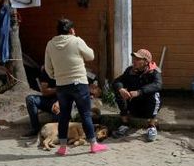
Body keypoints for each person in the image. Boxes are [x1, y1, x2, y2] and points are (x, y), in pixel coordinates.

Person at [44, 18, 108, 155]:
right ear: (71, 30)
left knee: (64, 116)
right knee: (85, 114)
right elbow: (90, 56)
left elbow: (48, 69)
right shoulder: (76, 41)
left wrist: (58, 77)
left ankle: (62, 147)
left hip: (61, 85)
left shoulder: (50, 44)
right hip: (79, 83)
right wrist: (76, 39)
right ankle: (93, 145)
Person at [112, 48, 162, 141]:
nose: (134, 61)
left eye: (138, 59)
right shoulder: (130, 70)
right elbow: (117, 81)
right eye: (134, 59)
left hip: (148, 108)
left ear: (146, 62)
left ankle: (151, 126)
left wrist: (139, 92)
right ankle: (125, 124)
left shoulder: (154, 72)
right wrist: (121, 88)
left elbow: (158, 85)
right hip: (133, 106)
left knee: (155, 94)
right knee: (118, 91)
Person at [22, 67, 61, 138]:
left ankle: (55, 132)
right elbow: (44, 92)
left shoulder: (66, 71)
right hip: (48, 100)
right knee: (30, 99)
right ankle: (35, 128)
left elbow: (68, 91)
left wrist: (58, 102)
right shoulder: (46, 71)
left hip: (62, 100)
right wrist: (59, 89)